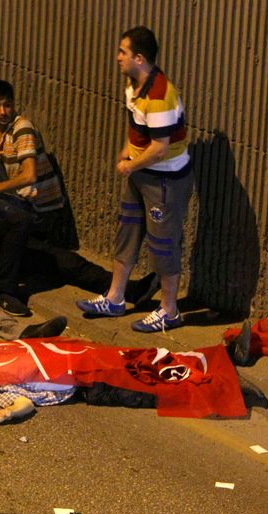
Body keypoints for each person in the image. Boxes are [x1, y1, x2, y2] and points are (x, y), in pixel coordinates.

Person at [76, 26, 193, 333]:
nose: (117, 58)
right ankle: (115, 297)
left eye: (123, 53)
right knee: (127, 232)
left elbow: (160, 147)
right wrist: (126, 152)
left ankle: (169, 309)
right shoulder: (132, 85)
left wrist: (130, 166)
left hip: (164, 180)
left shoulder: (160, 96)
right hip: (140, 173)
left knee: (163, 244)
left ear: (139, 58)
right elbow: (138, 131)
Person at [0, 191, 160, 315]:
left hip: (3, 244)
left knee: (62, 259)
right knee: (20, 220)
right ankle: (3, 291)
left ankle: (129, 290)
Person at [0, 80, 69, 245]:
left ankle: (16, 231)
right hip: (18, 199)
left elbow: (29, 176)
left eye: (7, 105)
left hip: (38, 211)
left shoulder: (22, 128)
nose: (3, 112)